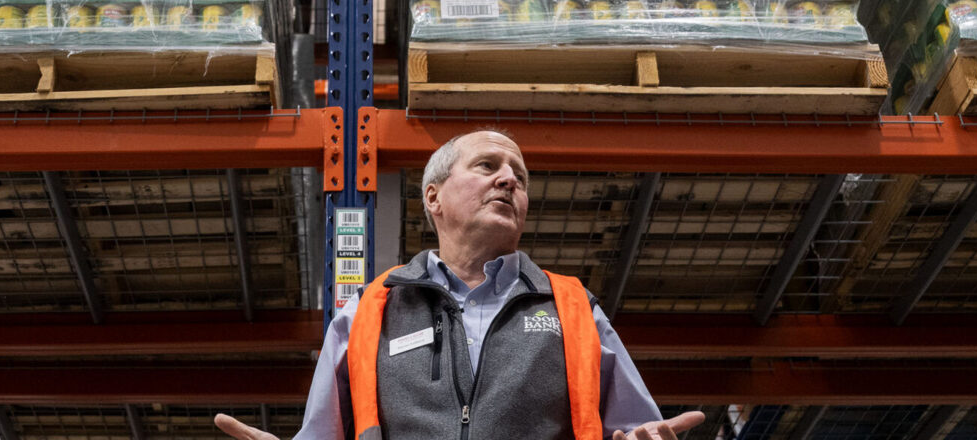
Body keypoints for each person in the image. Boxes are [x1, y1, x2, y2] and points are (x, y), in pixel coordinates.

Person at [215, 129, 703, 440]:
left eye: (520, 177)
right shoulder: (369, 312)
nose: (509, 180)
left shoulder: (572, 307)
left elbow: (637, 430)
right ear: (434, 197)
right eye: (488, 167)